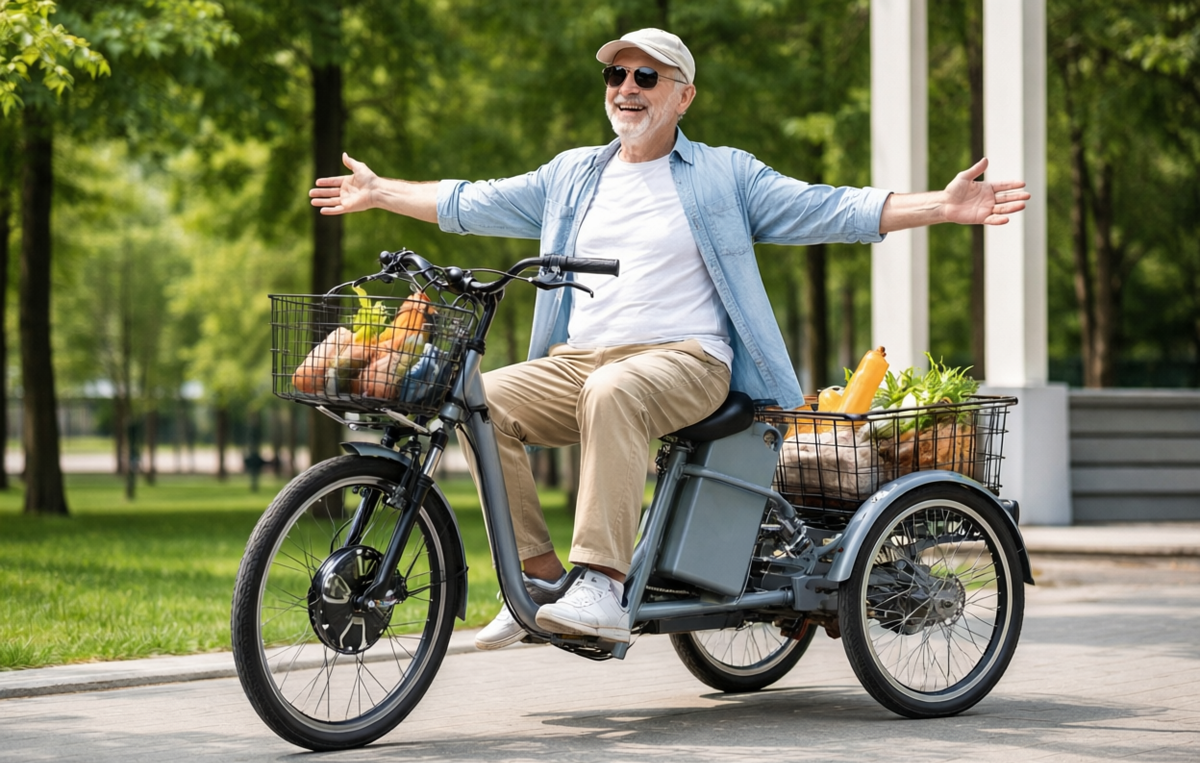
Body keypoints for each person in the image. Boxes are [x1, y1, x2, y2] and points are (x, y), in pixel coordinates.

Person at [309, 28, 1030, 650]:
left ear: (682, 95)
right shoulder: (573, 176)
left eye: (645, 76)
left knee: (612, 391)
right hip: (579, 359)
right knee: (478, 398)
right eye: (616, 74)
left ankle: (603, 584)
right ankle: (538, 582)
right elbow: (472, 200)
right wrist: (380, 192)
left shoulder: (723, 174)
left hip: (687, 360)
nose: (627, 87)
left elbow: (825, 208)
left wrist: (941, 205)